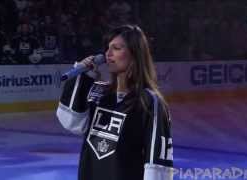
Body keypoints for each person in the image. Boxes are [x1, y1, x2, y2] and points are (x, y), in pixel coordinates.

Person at [56, 24, 173, 180]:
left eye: (116, 48)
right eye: (107, 48)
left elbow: (158, 163)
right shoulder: (98, 92)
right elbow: (70, 122)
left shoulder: (150, 102)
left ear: (135, 54)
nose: (108, 53)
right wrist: (83, 77)